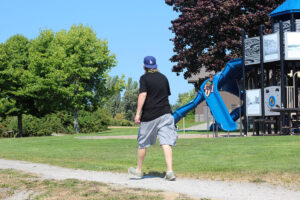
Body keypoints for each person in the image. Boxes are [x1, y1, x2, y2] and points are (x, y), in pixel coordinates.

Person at [128, 56, 177, 181]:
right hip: (166, 114)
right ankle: (170, 171)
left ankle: (138, 171)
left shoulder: (144, 78)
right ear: (155, 66)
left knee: (142, 143)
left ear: (144, 66)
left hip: (150, 116)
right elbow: (166, 95)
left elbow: (143, 94)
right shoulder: (164, 78)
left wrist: (138, 113)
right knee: (166, 142)